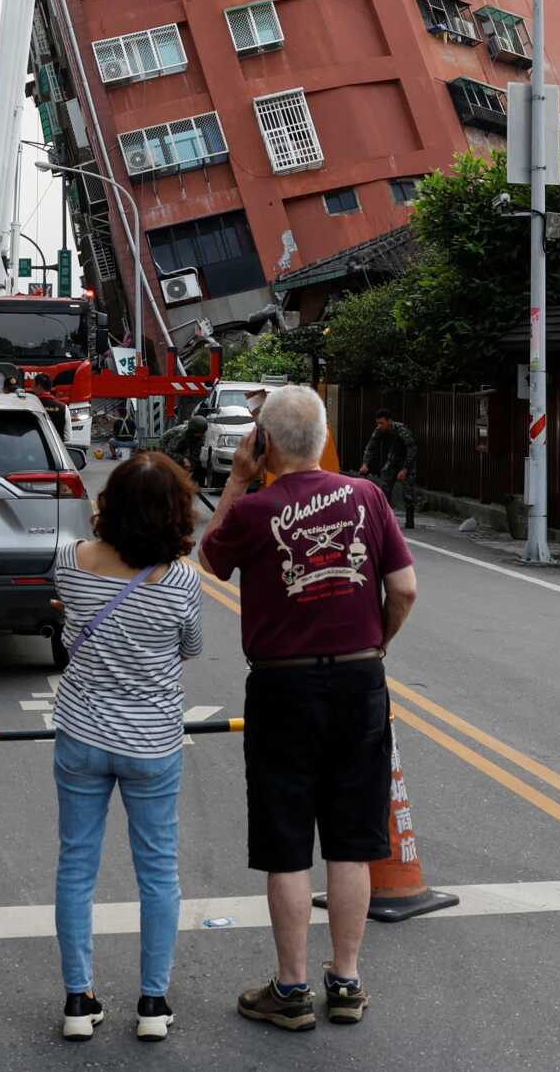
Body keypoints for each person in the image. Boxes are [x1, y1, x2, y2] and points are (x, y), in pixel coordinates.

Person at [199, 384, 415, 1032]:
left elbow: (207, 560)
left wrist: (237, 477)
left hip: (282, 686)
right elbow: (403, 586)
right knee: (351, 840)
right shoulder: (369, 495)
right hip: (359, 681)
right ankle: (345, 980)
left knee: (287, 842)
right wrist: (375, 638)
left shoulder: (255, 508)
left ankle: (291, 992)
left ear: (262, 442)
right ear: (324, 437)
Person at [50, 453, 204, 1043]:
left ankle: (77, 999)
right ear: (176, 513)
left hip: (81, 735)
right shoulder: (182, 580)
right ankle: (153, 1004)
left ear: (107, 505)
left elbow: (68, 614)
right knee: (158, 871)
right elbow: (190, 646)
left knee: (76, 866)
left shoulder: (70, 560)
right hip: (153, 742)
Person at [357, 409, 419, 530]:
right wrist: (365, 463)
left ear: (389, 421)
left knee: (408, 493)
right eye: (378, 423)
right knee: (384, 488)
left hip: (407, 461)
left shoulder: (401, 430)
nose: (379, 426)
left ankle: (410, 521)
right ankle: (387, 519)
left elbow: (412, 449)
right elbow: (371, 446)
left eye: (382, 423)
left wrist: (405, 469)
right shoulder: (379, 430)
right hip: (393, 460)